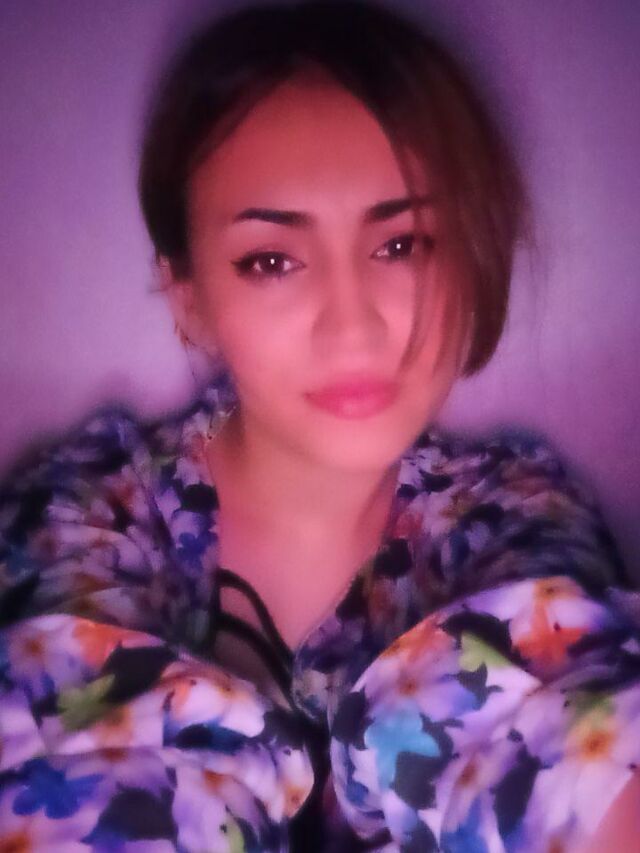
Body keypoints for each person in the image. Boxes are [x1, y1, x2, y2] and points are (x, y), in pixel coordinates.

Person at [0, 1, 638, 850]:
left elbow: (564, 736)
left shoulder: (518, 517)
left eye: (402, 244)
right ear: (189, 297)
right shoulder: (85, 515)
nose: (352, 326)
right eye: (271, 260)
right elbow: (74, 762)